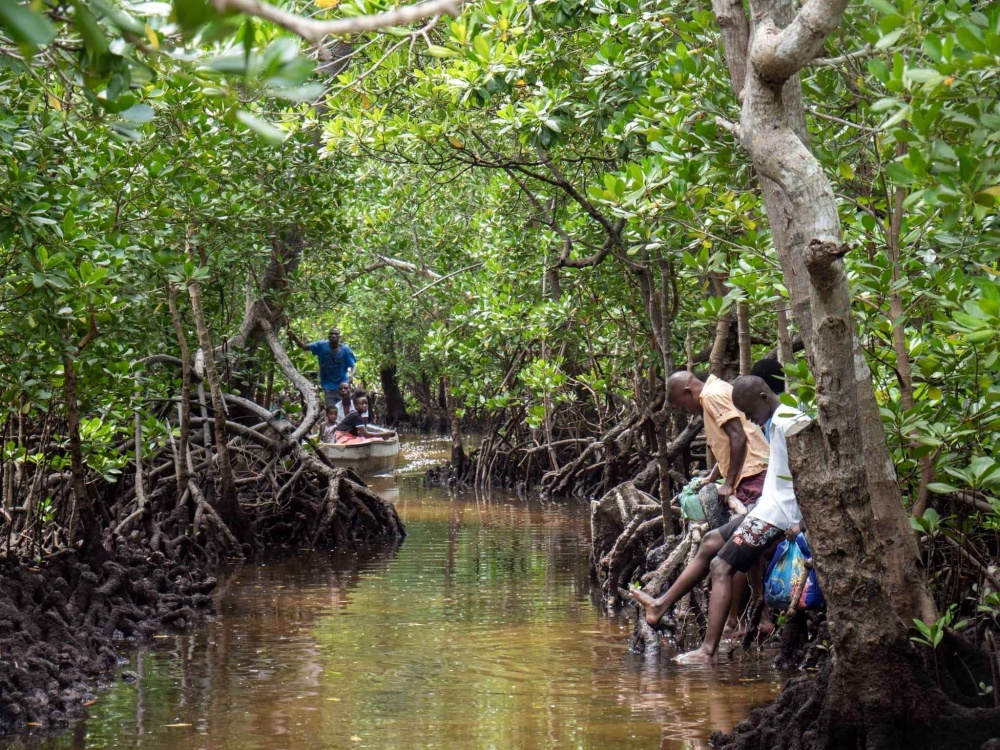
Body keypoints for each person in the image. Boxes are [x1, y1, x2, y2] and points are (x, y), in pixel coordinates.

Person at [631, 375, 808, 663]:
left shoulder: (790, 421)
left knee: (721, 565)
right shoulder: (775, 420)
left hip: (780, 515)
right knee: (712, 540)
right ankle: (661, 605)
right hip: (767, 507)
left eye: (749, 413)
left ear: (763, 397)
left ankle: (707, 650)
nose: (749, 420)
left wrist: (803, 522)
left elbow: (809, 475)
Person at [666, 370, 773, 636]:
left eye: (682, 405)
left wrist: (728, 483)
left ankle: (744, 621)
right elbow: (726, 441)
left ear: (689, 392)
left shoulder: (712, 396)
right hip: (752, 472)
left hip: (753, 474)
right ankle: (752, 620)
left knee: (740, 549)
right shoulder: (714, 393)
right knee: (747, 549)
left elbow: (739, 438)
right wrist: (713, 475)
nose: (687, 411)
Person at [288, 328, 357, 408]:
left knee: (345, 409)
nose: (334, 336)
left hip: (342, 386)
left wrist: (352, 375)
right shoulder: (321, 346)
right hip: (328, 385)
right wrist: (293, 337)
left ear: (339, 336)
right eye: (331, 334)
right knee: (332, 410)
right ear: (328, 336)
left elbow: (353, 365)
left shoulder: (345, 350)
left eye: (336, 334)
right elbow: (304, 347)